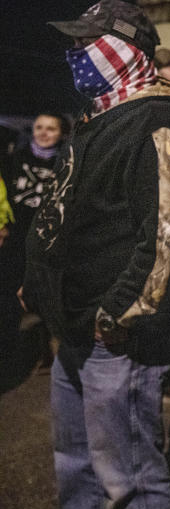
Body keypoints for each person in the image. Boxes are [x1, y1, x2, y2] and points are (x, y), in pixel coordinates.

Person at [22, 0, 170, 509]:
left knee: (128, 478)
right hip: (75, 327)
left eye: (87, 43)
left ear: (124, 51)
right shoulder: (101, 117)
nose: (75, 53)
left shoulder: (155, 123)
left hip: (115, 336)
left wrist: (119, 313)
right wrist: (41, 286)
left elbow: (167, 237)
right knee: (75, 463)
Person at [0, 112, 68, 356]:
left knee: (47, 298)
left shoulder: (66, 164)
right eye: (39, 127)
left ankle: (48, 349)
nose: (44, 132)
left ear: (61, 133)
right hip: (15, 240)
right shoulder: (14, 160)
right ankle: (10, 349)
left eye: (51, 128)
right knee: (8, 295)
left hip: (48, 244)